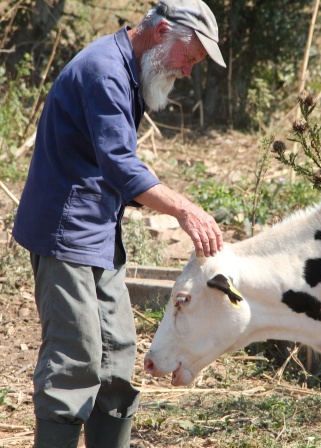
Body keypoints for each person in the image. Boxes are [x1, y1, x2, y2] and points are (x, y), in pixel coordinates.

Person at [12, 1, 226, 447]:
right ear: (163, 30)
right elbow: (120, 166)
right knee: (76, 360)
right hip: (65, 230)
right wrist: (184, 209)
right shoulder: (104, 70)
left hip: (99, 230)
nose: (187, 71)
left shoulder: (131, 70)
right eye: (189, 58)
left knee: (117, 356)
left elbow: (115, 167)